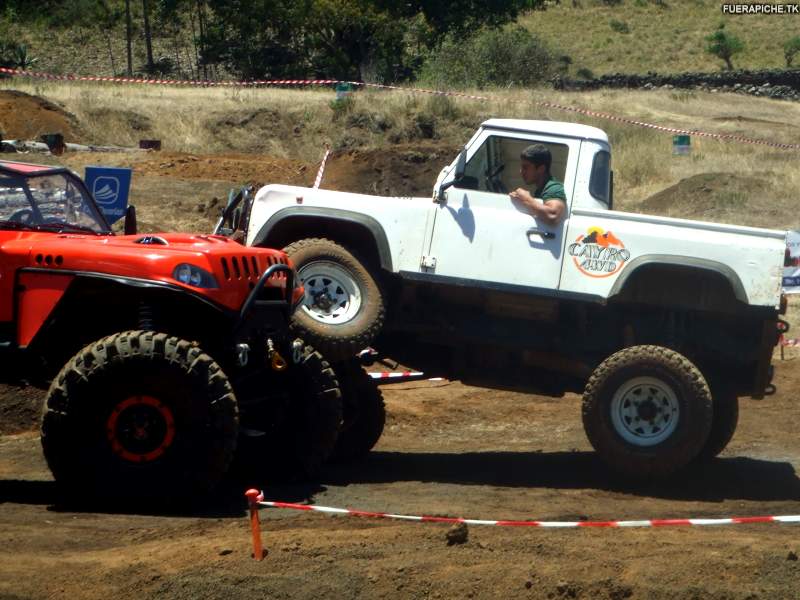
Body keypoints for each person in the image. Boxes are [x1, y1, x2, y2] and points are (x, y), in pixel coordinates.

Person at [509, 144, 567, 226]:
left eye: (525, 167)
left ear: (541, 169)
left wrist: (526, 199)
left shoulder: (553, 189)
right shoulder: (541, 190)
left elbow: (553, 216)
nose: (521, 171)